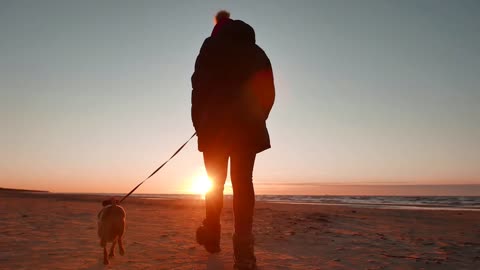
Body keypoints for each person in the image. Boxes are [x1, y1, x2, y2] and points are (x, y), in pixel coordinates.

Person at [191, 10, 275, 270]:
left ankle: (213, 235)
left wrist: (199, 123)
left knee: (215, 183)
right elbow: (268, 91)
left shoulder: (210, 46)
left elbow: (199, 87)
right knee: (242, 183)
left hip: (215, 126)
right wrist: (257, 117)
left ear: (217, 25)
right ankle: (244, 253)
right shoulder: (257, 52)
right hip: (247, 126)